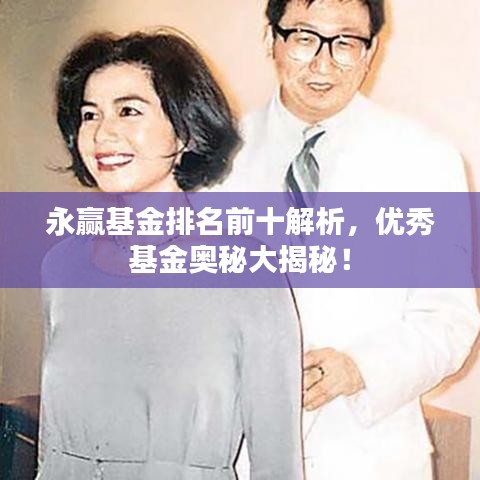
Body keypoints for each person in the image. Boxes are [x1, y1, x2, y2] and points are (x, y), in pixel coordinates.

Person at [216, 1, 480, 479]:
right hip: (237, 451)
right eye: (304, 38)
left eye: (346, 42)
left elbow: (449, 320)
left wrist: (361, 369)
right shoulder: (215, 159)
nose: (323, 63)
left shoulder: (426, 160)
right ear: (271, 39)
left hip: (369, 452)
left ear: (371, 51)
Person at [38, 29, 303, 480]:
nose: (103, 132)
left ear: (184, 132)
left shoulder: (245, 270)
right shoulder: (62, 265)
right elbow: (48, 448)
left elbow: (277, 461)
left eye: (128, 110)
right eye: (89, 114)